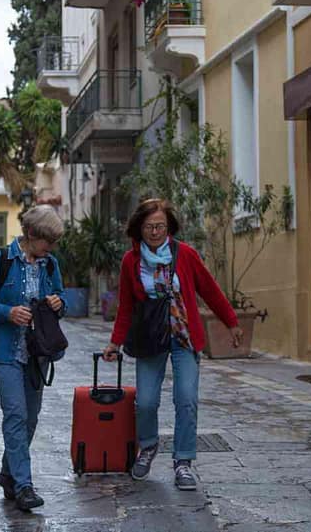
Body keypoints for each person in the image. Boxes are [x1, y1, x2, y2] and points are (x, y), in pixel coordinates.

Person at [102, 198, 243, 491]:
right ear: (139, 228)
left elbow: (210, 290)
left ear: (169, 227)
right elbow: (126, 306)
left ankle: (183, 462)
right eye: (149, 226)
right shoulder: (131, 261)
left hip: (184, 337)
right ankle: (149, 446)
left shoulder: (186, 254)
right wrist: (115, 342)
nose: (155, 232)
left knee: (186, 398)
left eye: (160, 226)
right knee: (146, 401)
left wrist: (231, 322)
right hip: (150, 338)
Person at [0, 205, 66, 512]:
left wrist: (58, 302)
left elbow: (61, 297)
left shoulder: (50, 264)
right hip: (4, 349)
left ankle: (8, 473)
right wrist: (7, 312)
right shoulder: (0, 260)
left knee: (31, 417)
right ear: (31, 234)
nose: (51, 248)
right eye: (48, 241)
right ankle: (24, 486)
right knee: (16, 413)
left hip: (37, 353)